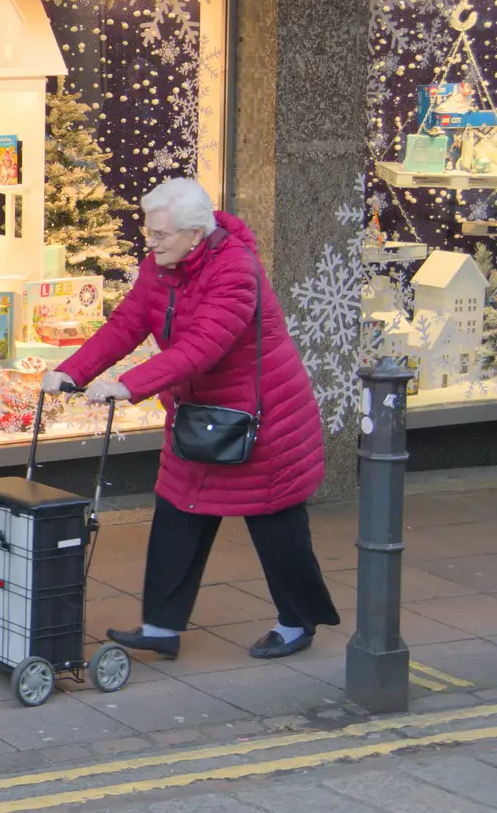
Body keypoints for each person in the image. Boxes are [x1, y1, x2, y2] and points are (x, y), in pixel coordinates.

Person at [44, 177, 339, 660]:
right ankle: (161, 628)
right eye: (149, 233)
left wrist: (129, 385)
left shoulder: (237, 270)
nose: (150, 242)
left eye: (159, 234)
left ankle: (298, 621)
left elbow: (202, 348)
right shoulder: (161, 265)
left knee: (276, 523)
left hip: (262, 419)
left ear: (195, 234)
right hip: (198, 416)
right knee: (177, 510)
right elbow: (127, 324)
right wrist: (70, 372)